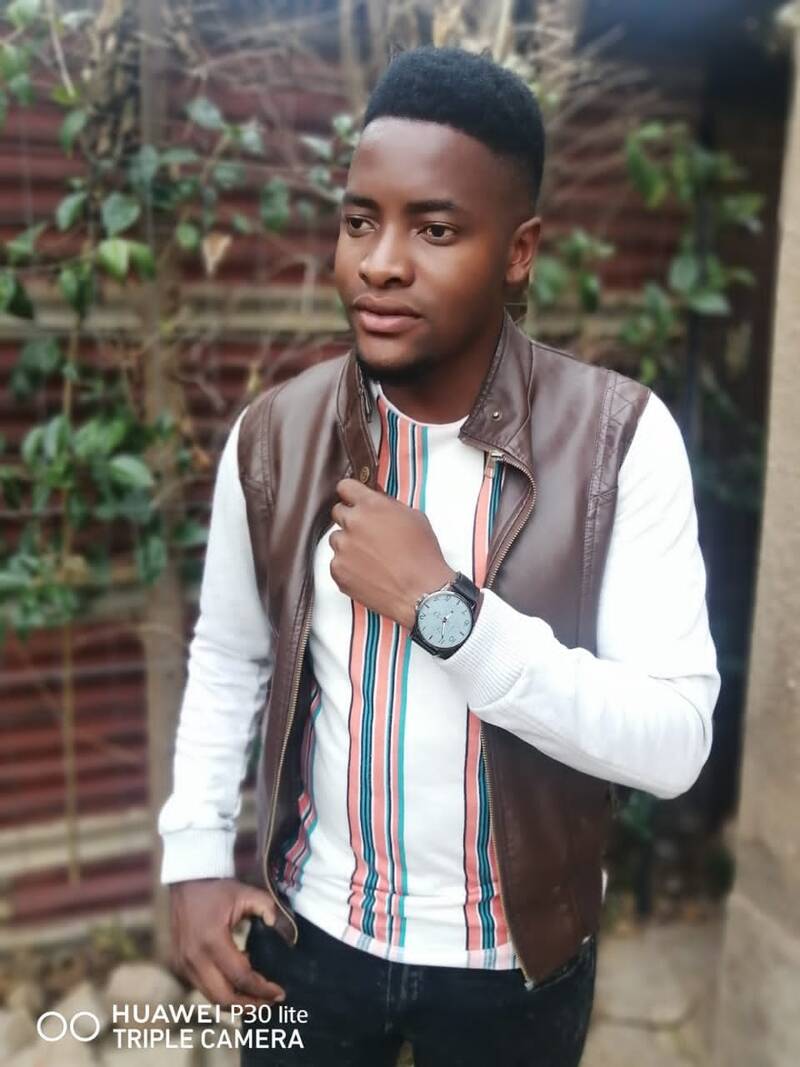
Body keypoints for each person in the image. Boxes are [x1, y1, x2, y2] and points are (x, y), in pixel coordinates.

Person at [158, 45, 720, 1067]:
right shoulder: (275, 437)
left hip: (514, 962)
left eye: (434, 228)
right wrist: (194, 852)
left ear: (519, 251)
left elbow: (674, 741)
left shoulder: (618, 443)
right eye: (359, 220)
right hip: (310, 939)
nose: (379, 262)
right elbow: (230, 653)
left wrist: (446, 611)